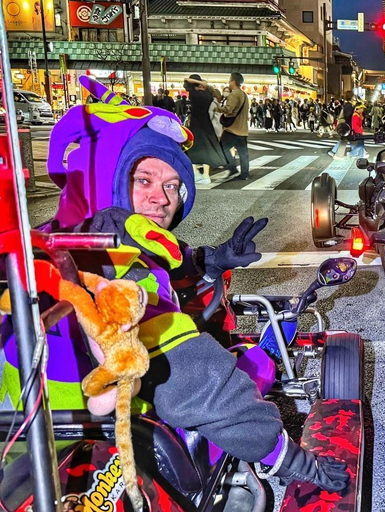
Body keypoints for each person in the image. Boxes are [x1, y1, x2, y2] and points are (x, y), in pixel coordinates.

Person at [2, 92, 351, 492]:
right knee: (253, 365)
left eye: (173, 186)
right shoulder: (120, 274)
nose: (162, 198)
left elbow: (166, 268)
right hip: (118, 433)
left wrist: (210, 262)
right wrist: (286, 456)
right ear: (112, 178)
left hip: (32, 434)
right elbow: (199, 379)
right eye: (143, 180)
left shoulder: (56, 245)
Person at [182, 74, 227, 182]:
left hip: (196, 125)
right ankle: (206, 175)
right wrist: (202, 83)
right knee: (208, 150)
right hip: (207, 125)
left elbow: (186, 80)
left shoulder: (193, 94)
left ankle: (197, 174)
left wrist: (196, 82)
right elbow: (208, 87)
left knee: (192, 151)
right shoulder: (208, 95)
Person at [218, 73, 250, 181]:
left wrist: (218, 108)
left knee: (222, 148)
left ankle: (232, 167)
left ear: (233, 81)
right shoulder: (244, 95)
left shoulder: (234, 94)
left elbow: (228, 109)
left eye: (230, 80)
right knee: (243, 152)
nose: (229, 83)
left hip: (233, 128)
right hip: (243, 129)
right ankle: (245, 173)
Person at [327, 91, 355, 159]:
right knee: (346, 140)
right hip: (347, 126)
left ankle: (335, 152)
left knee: (346, 140)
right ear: (351, 97)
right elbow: (348, 117)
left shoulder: (346, 105)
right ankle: (338, 155)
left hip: (345, 126)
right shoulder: (349, 106)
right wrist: (351, 126)